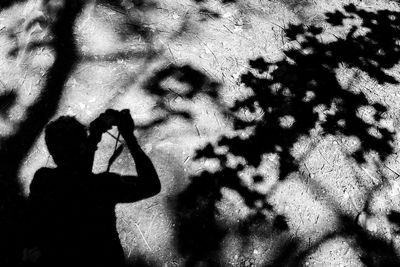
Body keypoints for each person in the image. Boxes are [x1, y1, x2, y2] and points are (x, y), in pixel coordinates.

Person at [24, 109, 161, 266]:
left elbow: (75, 177)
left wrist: (93, 138)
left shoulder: (43, 180)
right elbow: (152, 185)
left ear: (52, 151)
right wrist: (129, 137)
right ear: (82, 147)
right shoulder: (105, 185)